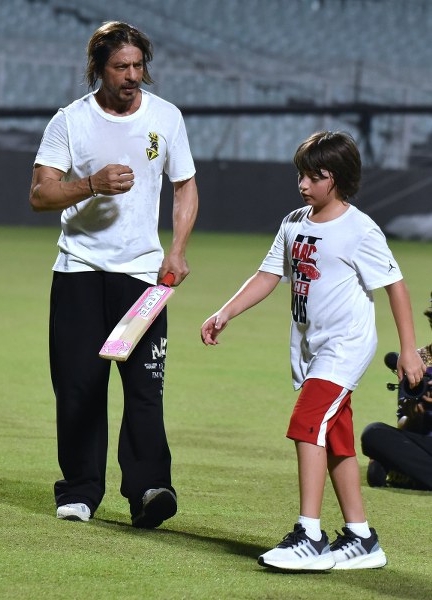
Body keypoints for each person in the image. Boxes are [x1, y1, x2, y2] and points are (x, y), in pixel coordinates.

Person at [201, 131, 425, 571]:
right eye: (301, 174)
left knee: (307, 424)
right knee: (336, 438)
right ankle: (361, 538)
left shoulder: (360, 229)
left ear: (338, 179)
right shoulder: (294, 221)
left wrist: (409, 350)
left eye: (314, 176)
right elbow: (268, 274)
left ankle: (310, 534)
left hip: (345, 346)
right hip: (311, 347)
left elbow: (395, 286)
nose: (303, 184)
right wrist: (226, 311)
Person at [29, 21, 198, 528]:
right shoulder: (70, 122)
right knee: (79, 387)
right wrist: (92, 184)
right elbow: (41, 194)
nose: (132, 76)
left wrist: (178, 249)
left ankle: (149, 489)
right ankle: (80, 491)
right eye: (120, 67)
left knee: (146, 386)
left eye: (138, 66)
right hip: (79, 272)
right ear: (98, 69)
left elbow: (185, 186)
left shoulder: (166, 117)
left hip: (143, 278)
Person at [361, 294, 432, 490]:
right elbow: (404, 424)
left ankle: (403, 471)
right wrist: (412, 415)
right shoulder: (417, 361)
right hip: (424, 444)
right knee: (373, 433)